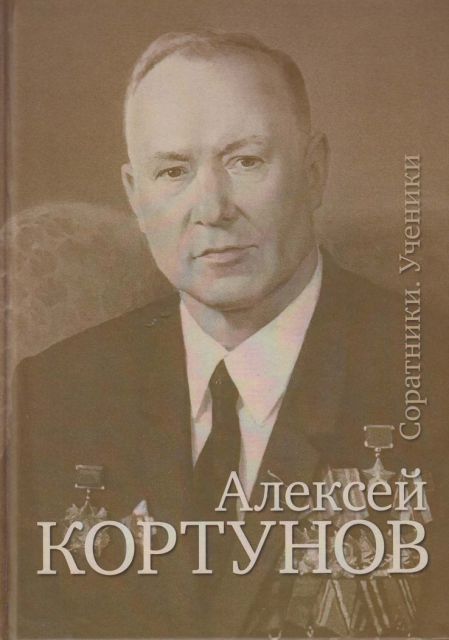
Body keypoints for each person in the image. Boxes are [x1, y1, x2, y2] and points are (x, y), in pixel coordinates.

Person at [13, 30, 449, 638]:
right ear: (135, 197)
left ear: (314, 171)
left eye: (246, 161)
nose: (212, 208)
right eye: (173, 171)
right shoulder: (58, 392)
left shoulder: (432, 373)